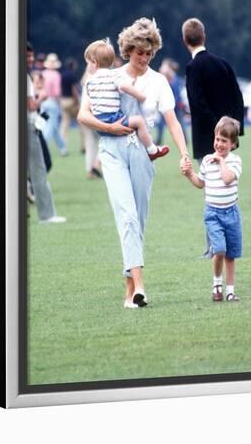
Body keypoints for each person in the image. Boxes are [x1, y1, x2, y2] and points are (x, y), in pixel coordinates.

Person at [78, 17, 189, 309]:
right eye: (140, 52)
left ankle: (130, 292)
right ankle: (140, 286)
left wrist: (184, 153)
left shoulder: (159, 82)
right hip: (112, 151)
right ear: (128, 49)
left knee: (137, 221)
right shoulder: (108, 76)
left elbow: (172, 121)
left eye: (150, 53)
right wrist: (113, 129)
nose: (145, 57)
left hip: (141, 152)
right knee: (126, 216)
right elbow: (83, 115)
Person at [182, 116, 242, 302]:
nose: (219, 144)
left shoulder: (235, 161)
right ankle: (217, 284)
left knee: (231, 255)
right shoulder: (207, 160)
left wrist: (221, 161)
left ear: (232, 144)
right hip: (213, 214)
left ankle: (230, 291)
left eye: (224, 141)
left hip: (231, 213)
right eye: (217, 139)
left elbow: (227, 179)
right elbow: (200, 183)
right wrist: (189, 174)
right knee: (219, 250)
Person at [84, 38, 170, 161]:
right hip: (113, 118)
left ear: (95, 63)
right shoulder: (114, 76)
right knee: (139, 121)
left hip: (98, 122)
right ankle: (152, 149)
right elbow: (124, 86)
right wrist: (140, 96)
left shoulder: (89, 81)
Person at [182, 18, 244, 164]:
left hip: (206, 139)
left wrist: (217, 130)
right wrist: (234, 130)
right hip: (228, 139)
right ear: (204, 37)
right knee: (228, 183)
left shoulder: (193, 67)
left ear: (184, 40)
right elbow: (238, 97)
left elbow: (199, 104)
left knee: (211, 185)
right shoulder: (223, 64)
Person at [27, 42, 66, 224]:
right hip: (30, 124)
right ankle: (47, 215)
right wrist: (41, 97)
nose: (32, 59)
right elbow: (31, 106)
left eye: (32, 55)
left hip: (29, 123)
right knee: (39, 169)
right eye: (28, 56)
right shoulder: (27, 78)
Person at [39, 52, 68, 156]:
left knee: (53, 126)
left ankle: (62, 148)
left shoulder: (43, 73)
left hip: (42, 101)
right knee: (51, 127)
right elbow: (57, 92)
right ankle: (42, 146)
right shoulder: (56, 75)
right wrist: (59, 103)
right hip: (52, 101)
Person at [155, 57, 189, 146]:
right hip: (165, 105)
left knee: (180, 123)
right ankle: (158, 140)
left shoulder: (174, 79)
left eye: (164, 65)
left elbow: (177, 94)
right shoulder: (162, 79)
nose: (162, 67)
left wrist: (174, 105)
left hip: (176, 105)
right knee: (160, 124)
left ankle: (185, 140)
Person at [81, 64, 103, 179]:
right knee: (105, 143)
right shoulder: (98, 80)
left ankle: (90, 170)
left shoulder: (85, 81)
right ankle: (95, 165)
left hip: (86, 117)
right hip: (97, 116)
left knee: (90, 145)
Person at [59, 57, 82, 149]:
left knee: (64, 124)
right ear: (73, 66)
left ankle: (63, 146)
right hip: (72, 101)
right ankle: (83, 146)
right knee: (81, 122)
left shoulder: (62, 75)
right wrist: (77, 102)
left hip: (63, 100)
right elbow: (74, 90)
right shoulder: (73, 75)